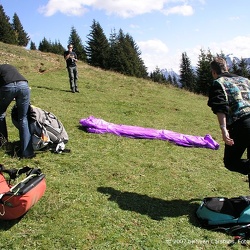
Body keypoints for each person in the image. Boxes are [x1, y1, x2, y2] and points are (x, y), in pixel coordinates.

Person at [208, 57, 250, 175]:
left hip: (242, 125)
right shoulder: (245, 80)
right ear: (227, 68)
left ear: (214, 72)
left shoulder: (218, 83)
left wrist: (223, 129)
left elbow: (220, 107)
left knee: (231, 162)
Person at [0, 64, 34, 158]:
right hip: (24, 85)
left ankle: (4, 144)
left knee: (1, 114)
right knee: (23, 118)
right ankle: (27, 152)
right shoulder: (8, 67)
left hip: (8, 86)